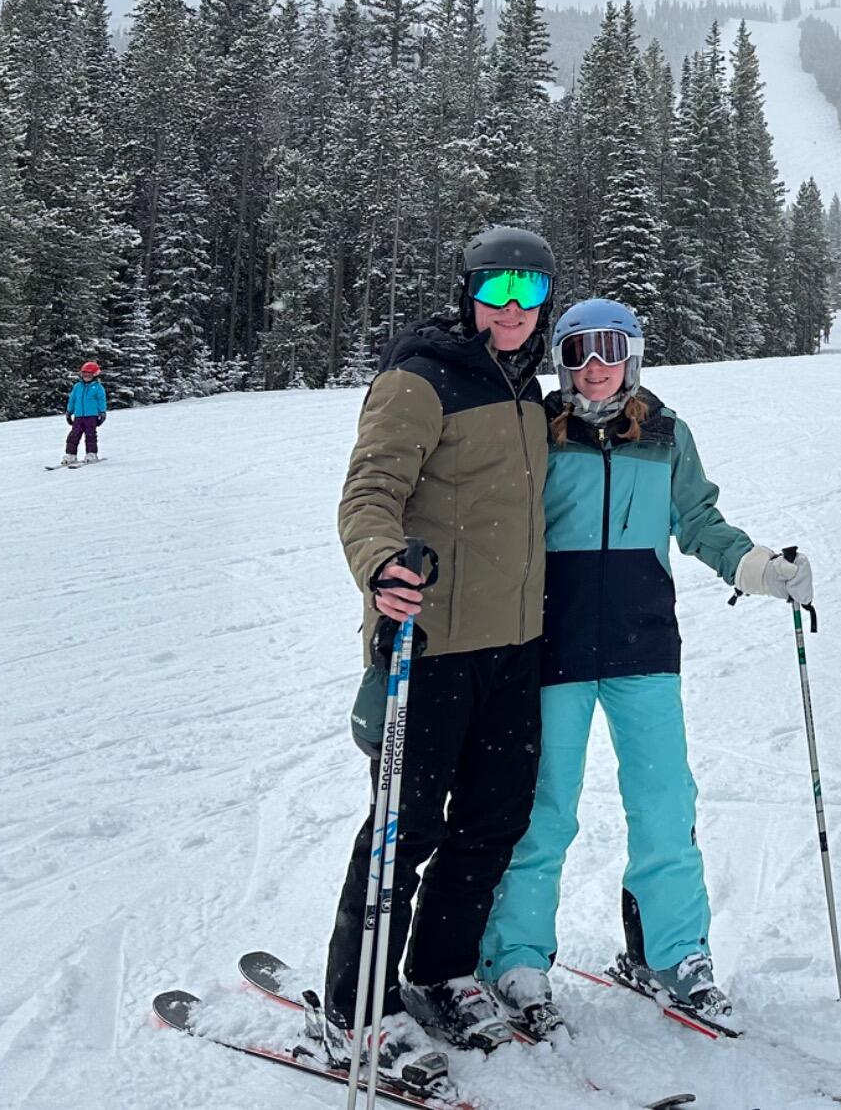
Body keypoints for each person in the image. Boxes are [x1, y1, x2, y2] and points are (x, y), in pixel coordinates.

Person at [477, 296, 815, 1039]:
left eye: (610, 349)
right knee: (544, 809)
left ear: (632, 356)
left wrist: (759, 567)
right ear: (561, 363)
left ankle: (675, 954)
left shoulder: (665, 433)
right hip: (553, 648)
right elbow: (500, 520)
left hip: (643, 649)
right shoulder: (539, 428)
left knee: (665, 806)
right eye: (577, 352)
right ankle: (516, 959)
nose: (594, 367)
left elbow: (699, 521)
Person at [306, 224, 559, 1094]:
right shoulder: (419, 378)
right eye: (497, 290)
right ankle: (357, 1008)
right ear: (468, 294)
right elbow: (369, 489)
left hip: (515, 645)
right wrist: (381, 561)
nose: (514, 309)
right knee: (402, 829)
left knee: (494, 820)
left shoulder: (531, 392)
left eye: (530, 291)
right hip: (432, 645)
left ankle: (442, 971)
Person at [61, 361, 107, 466]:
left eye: (89, 374)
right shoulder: (77, 387)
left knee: (90, 435)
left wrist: (102, 413)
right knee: (74, 435)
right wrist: (69, 412)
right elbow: (72, 400)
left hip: (91, 416)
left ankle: (91, 453)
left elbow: (101, 401)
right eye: (84, 374)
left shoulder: (98, 388)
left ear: (95, 375)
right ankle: (70, 454)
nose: (86, 376)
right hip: (78, 416)